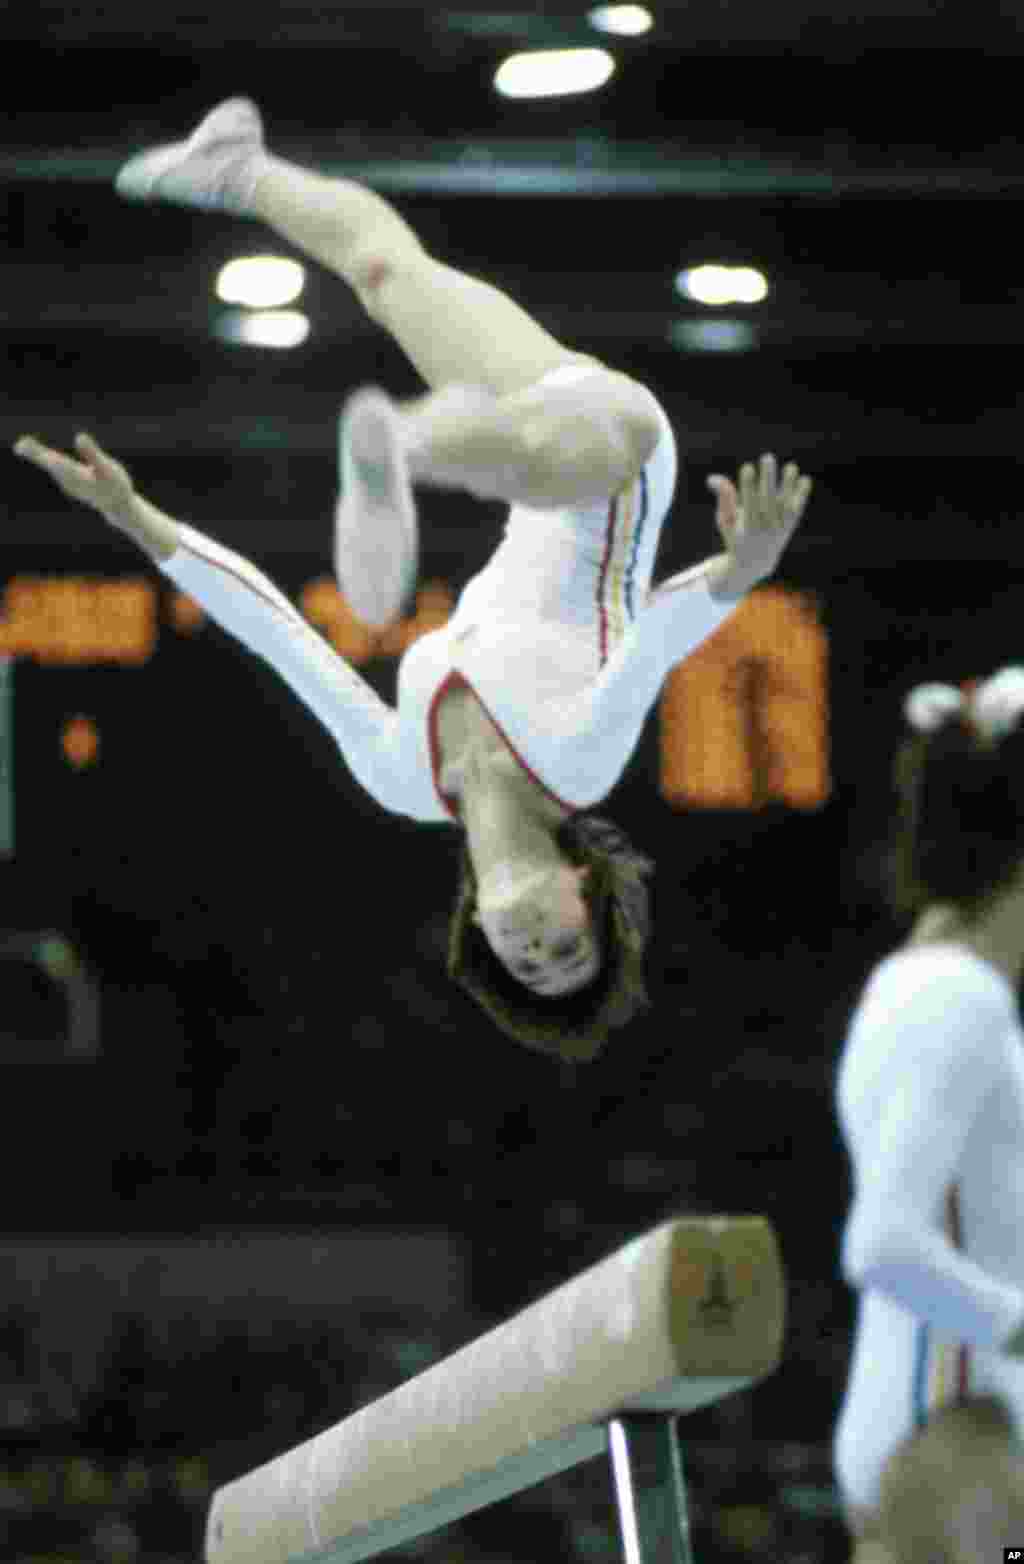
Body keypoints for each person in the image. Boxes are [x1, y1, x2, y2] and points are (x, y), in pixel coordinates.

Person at [15, 97, 812, 1062]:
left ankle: (241, 167)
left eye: (524, 964)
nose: (535, 946)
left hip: (523, 438)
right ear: (585, 889)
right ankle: (402, 448)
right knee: (525, 454)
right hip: (616, 462)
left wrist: (137, 518)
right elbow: (654, 637)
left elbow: (280, 636)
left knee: (387, 273)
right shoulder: (579, 762)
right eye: (567, 945)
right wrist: (744, 569)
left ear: (477, 930)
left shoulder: (401, 777)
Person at [835, 670, 1024, 1562]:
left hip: (954, 1409)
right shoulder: (953, 994)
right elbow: (883, 1245)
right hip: (953, 1422)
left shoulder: (933, 984)